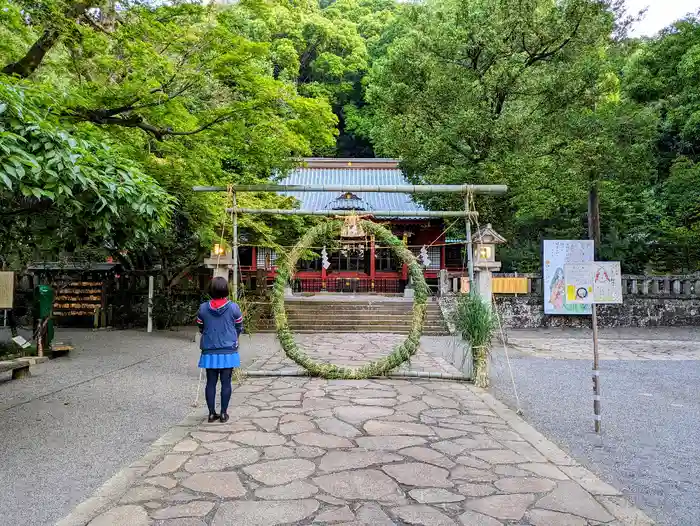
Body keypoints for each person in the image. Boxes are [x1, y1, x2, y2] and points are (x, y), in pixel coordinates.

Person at [196, 277, 243, 423]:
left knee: (210, 382)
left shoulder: (203, 308)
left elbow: (201, 327)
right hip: (228, 349)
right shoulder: (234, 307)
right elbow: (239, 326)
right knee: (226, 382)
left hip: (210, 349)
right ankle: (223, 413)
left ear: (210, 289)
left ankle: (211, 414)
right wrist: (234, 337)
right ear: (226, 289)